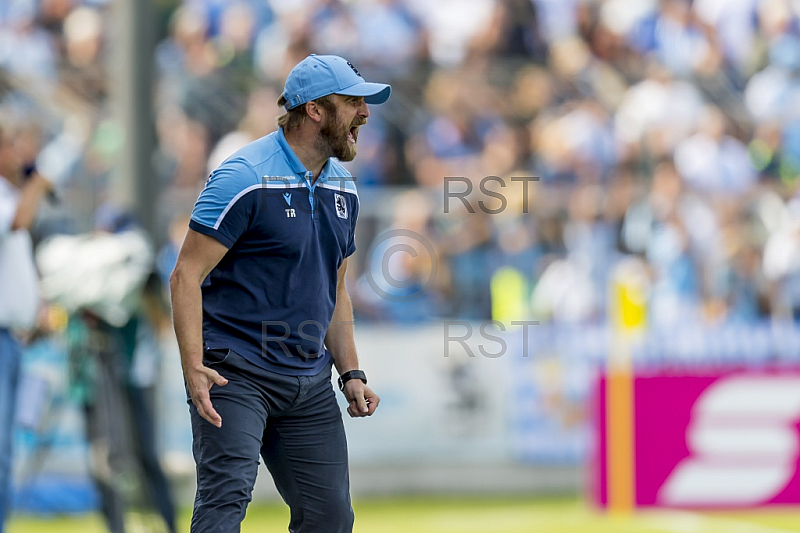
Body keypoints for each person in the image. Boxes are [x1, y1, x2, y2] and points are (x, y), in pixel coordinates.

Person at [170, 54, 390, 533]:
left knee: (330, 521)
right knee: (224, 505)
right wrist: (193, 366)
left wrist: (350, 370)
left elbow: (335, 288)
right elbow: (185, 275)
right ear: (314, 110)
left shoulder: (344, 188)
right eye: (353, 102)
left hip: (309, 382)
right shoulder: (242, 176)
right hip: (235, 375)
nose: (365, 114)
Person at [0, 125, 53, 532]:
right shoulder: (11, 199)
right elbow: (17, 220)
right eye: (7, 146)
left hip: (13, 338)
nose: (16, 154)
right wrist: (39, 182)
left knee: (6, 450)